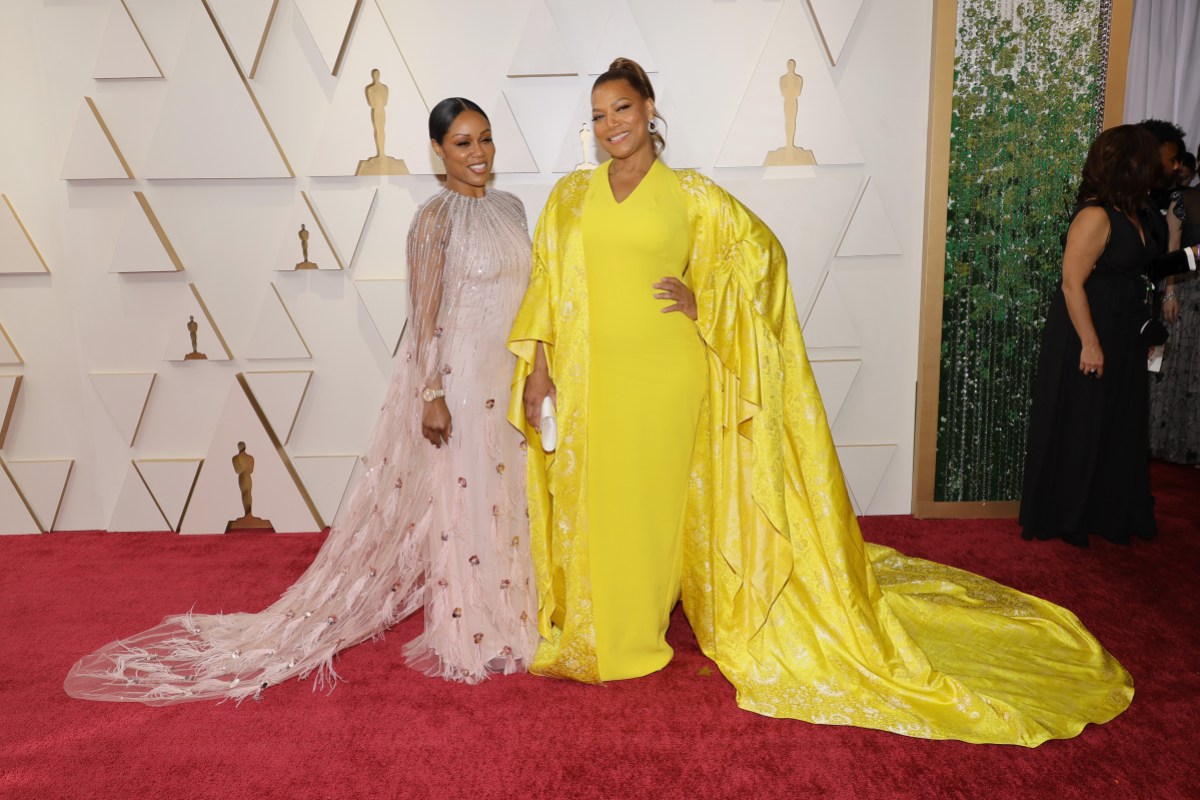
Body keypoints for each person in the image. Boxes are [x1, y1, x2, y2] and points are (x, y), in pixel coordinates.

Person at [509, 57, 1138, 746]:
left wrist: (705, 299)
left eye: (621, 109)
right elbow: (546, 283)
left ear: (649, 107)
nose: (610, 126)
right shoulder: (571, 196)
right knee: (601, 498)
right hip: (594, 377)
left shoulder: (691, 195)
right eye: (598, 116)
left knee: (655, 507)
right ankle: (600, 625)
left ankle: (631, 637)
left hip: (667, 375)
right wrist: (538, 369)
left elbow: (762, 263)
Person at [65, 98, 537, 704]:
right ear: (438, 152)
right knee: (465, 501)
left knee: (506, 499)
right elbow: (422, 319)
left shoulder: (514, 209)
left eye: (486, 140)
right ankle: (470, 632)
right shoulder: (433, 221)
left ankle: (511, 616)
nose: (478, 154)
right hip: (461, 377)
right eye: (463, 143)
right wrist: (432, 392)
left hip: (509, 377)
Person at [1021, 124, 1200, 546]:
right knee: (1084, 424)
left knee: (1117, 426)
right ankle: (1069, 516)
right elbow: (1071, 283)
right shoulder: (1095, 214)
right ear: (1129, 164)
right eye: (1151, 159)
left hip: (1125, 331)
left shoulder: (1136, 213)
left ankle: (1109, 512)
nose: (1161, 166)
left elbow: (1146, 270)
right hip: (1091, 331)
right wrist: (1090, 342)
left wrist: (1192, 256)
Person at [1151, 142, 1200, 464]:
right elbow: (1170, 250)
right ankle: (1157, 443)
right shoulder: (1184, 199)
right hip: (1183, 290)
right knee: (1169, 365)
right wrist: (1168, 293)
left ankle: (1191, 447)